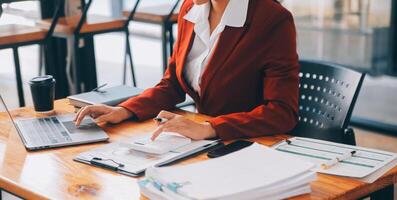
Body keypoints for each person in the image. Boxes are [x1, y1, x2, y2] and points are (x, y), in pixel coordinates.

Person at [74, 0, 300, 141]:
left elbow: (281, 112)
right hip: (200, 142)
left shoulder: (272, 19)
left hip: (249, 144)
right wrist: (124, 110)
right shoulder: (191, 9)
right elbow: (172, 84)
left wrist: (209, 127)